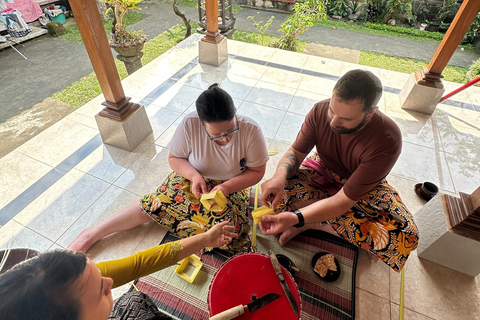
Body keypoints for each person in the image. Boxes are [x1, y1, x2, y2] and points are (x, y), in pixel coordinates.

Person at [68, 83, 269, 254]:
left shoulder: (251, 130)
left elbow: (257, 171)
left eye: (230, 130)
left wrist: (226, 187)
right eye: (216, 135)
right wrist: (194, 176)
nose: (225, 139)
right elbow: (174, 158)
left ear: (235, 115)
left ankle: (201, 232)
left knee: (229, 234)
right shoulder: (190, 124)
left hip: (231, 186)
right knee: (156, 204)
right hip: (193, 178)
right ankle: (92, 233)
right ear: (202, 124)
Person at [259, 69, 419, 272]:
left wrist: (298, 218)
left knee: (406, 237)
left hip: (361, 188)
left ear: (370, 113)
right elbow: (297, 151)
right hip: (322, 171)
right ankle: (316, 215)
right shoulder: (319, 110)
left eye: (346, 119)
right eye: (332, 111)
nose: (333, 122)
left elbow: (344, 200)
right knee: (273, 201)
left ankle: (312, 223)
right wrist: (279, 176)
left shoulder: (388, 139)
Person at [0, 221, 237, 320]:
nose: (111, 281)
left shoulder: (72, 286)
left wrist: (205, 238)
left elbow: (138, 264)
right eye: (101, 292)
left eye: (99, 272)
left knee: (136, 300)